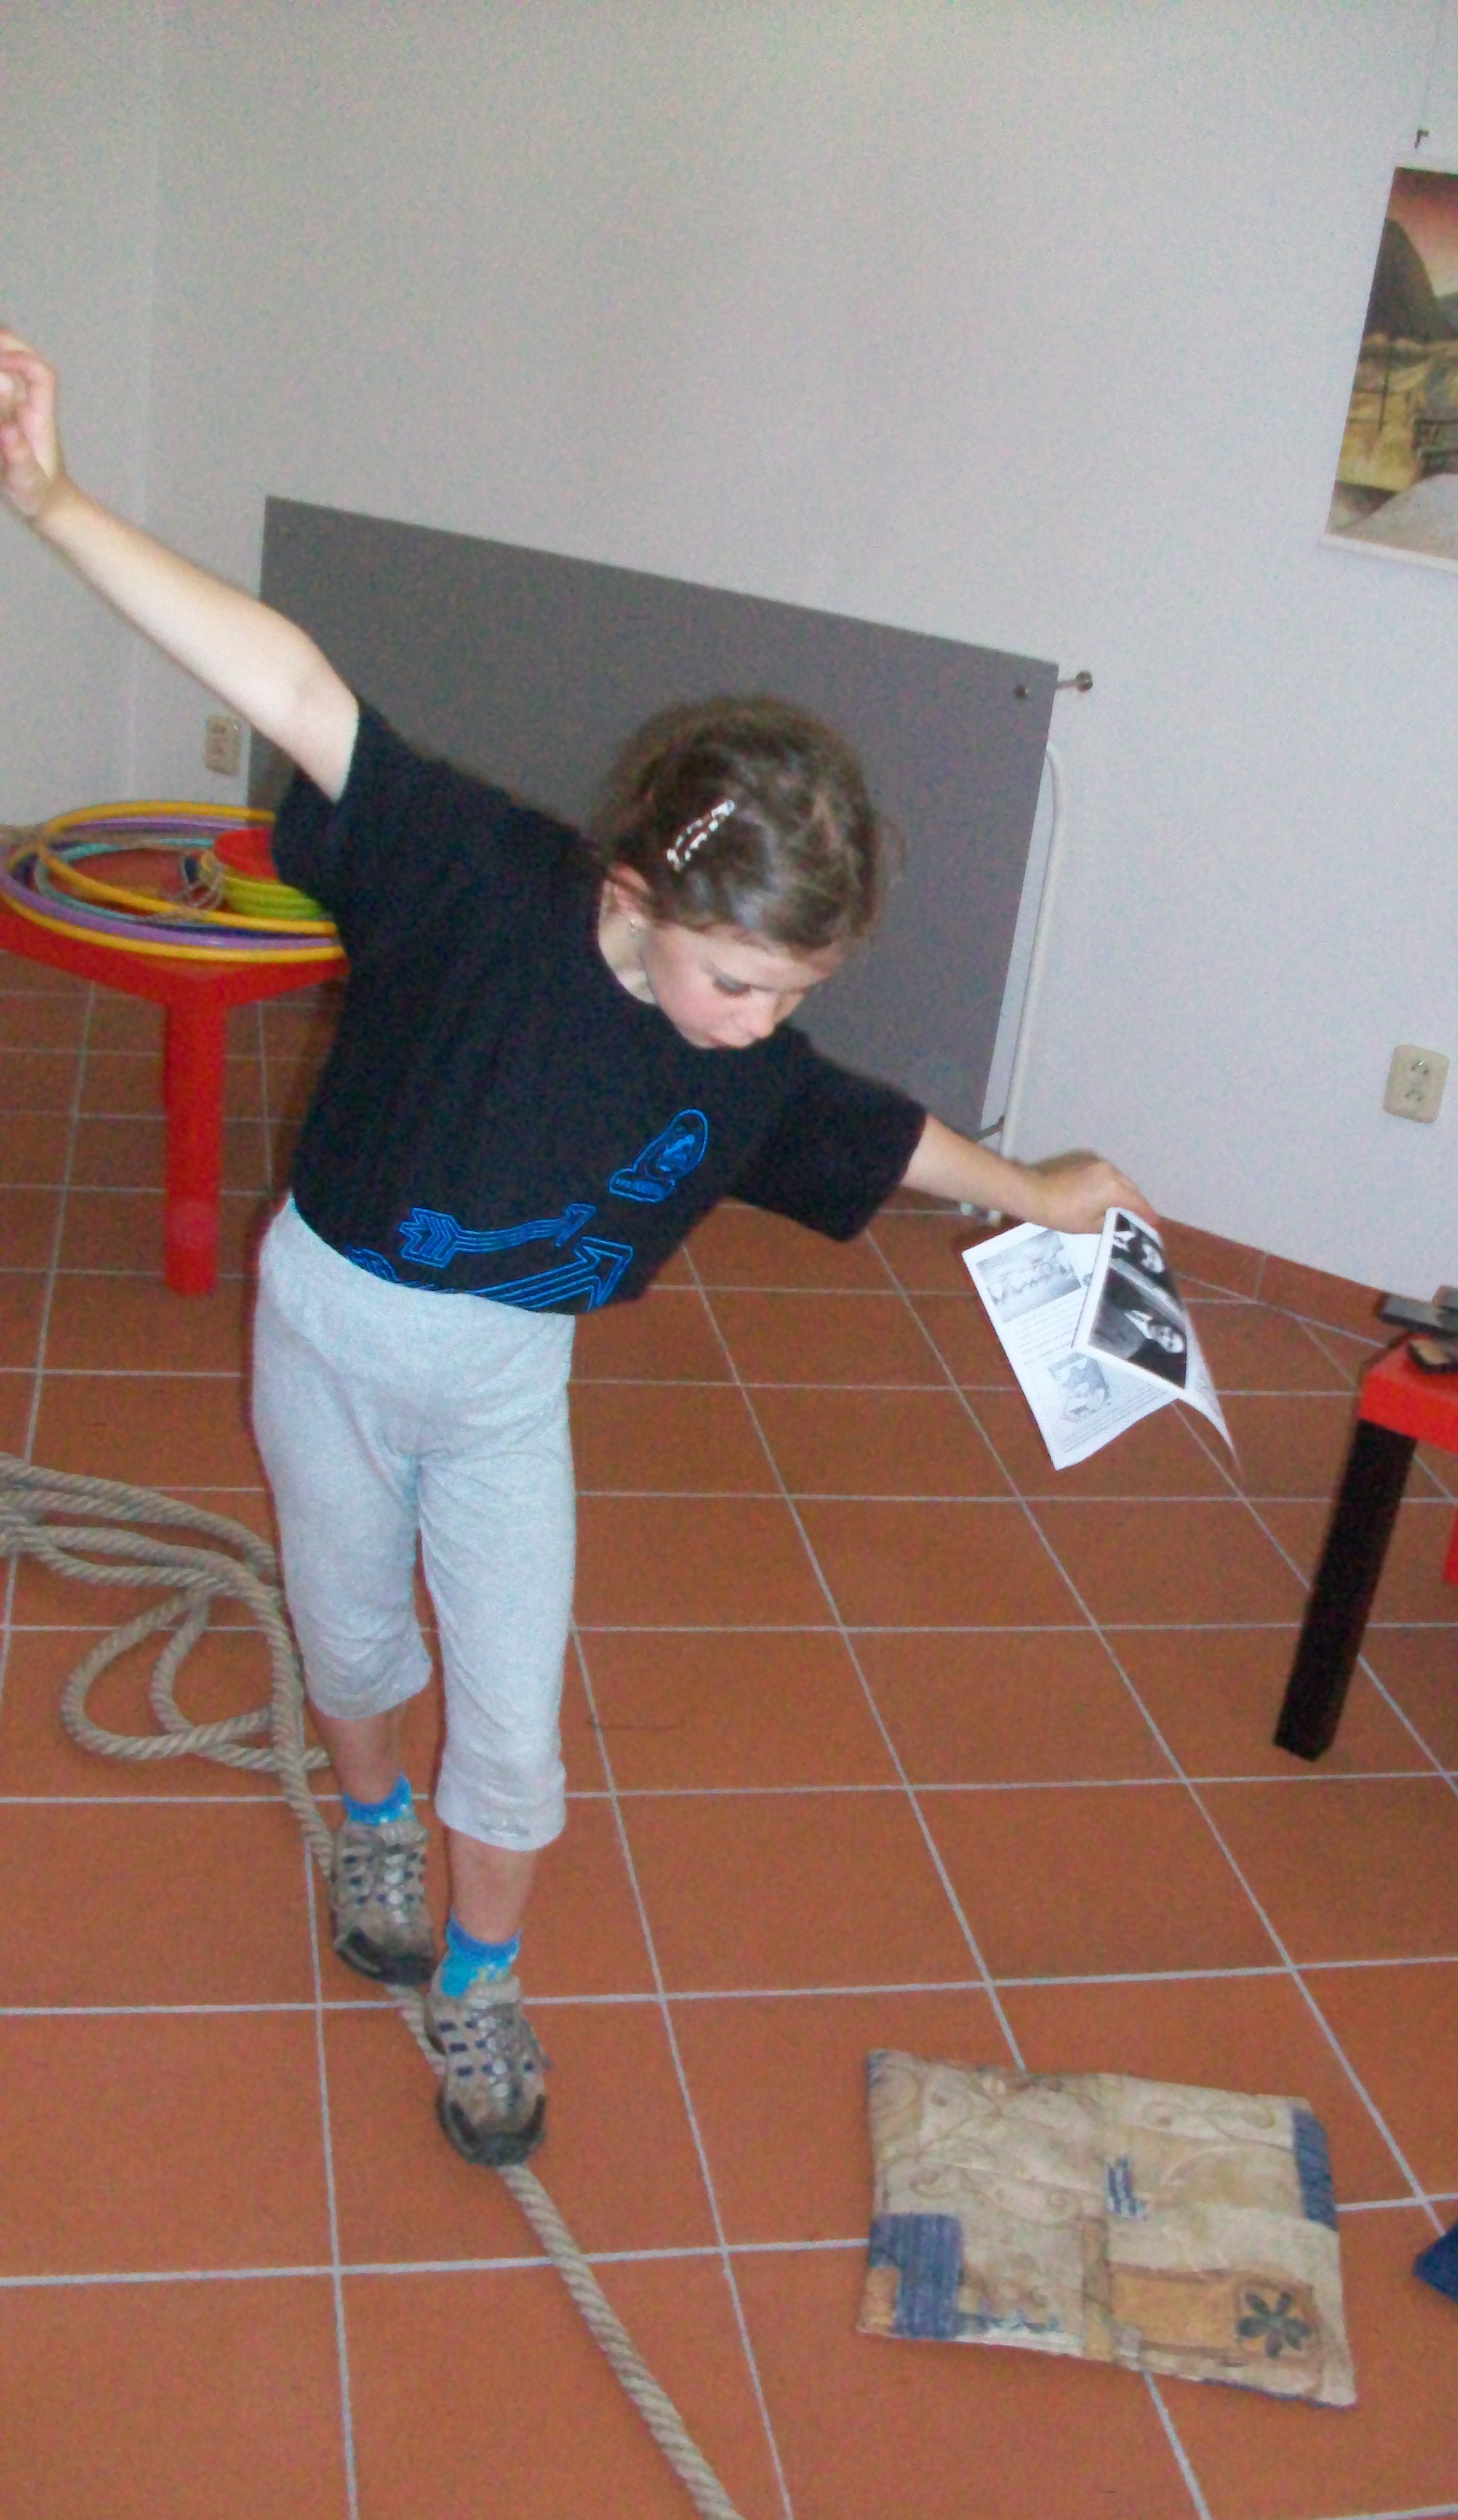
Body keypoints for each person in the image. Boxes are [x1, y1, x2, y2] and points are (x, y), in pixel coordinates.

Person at [0, 329, 1154, 2167]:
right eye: (738, 980)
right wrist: (55, 501)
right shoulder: (475, 882)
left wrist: (1040, 1188)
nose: (758, 1025)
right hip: (328, 1329)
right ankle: (369, 1825)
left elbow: (877, 1133)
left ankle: (480, 1977)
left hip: (502, 1392)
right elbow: (293, 681)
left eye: (793, 994)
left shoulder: (751, 1064)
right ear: (634, 896)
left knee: (514, 1725)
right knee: (349, 1635)